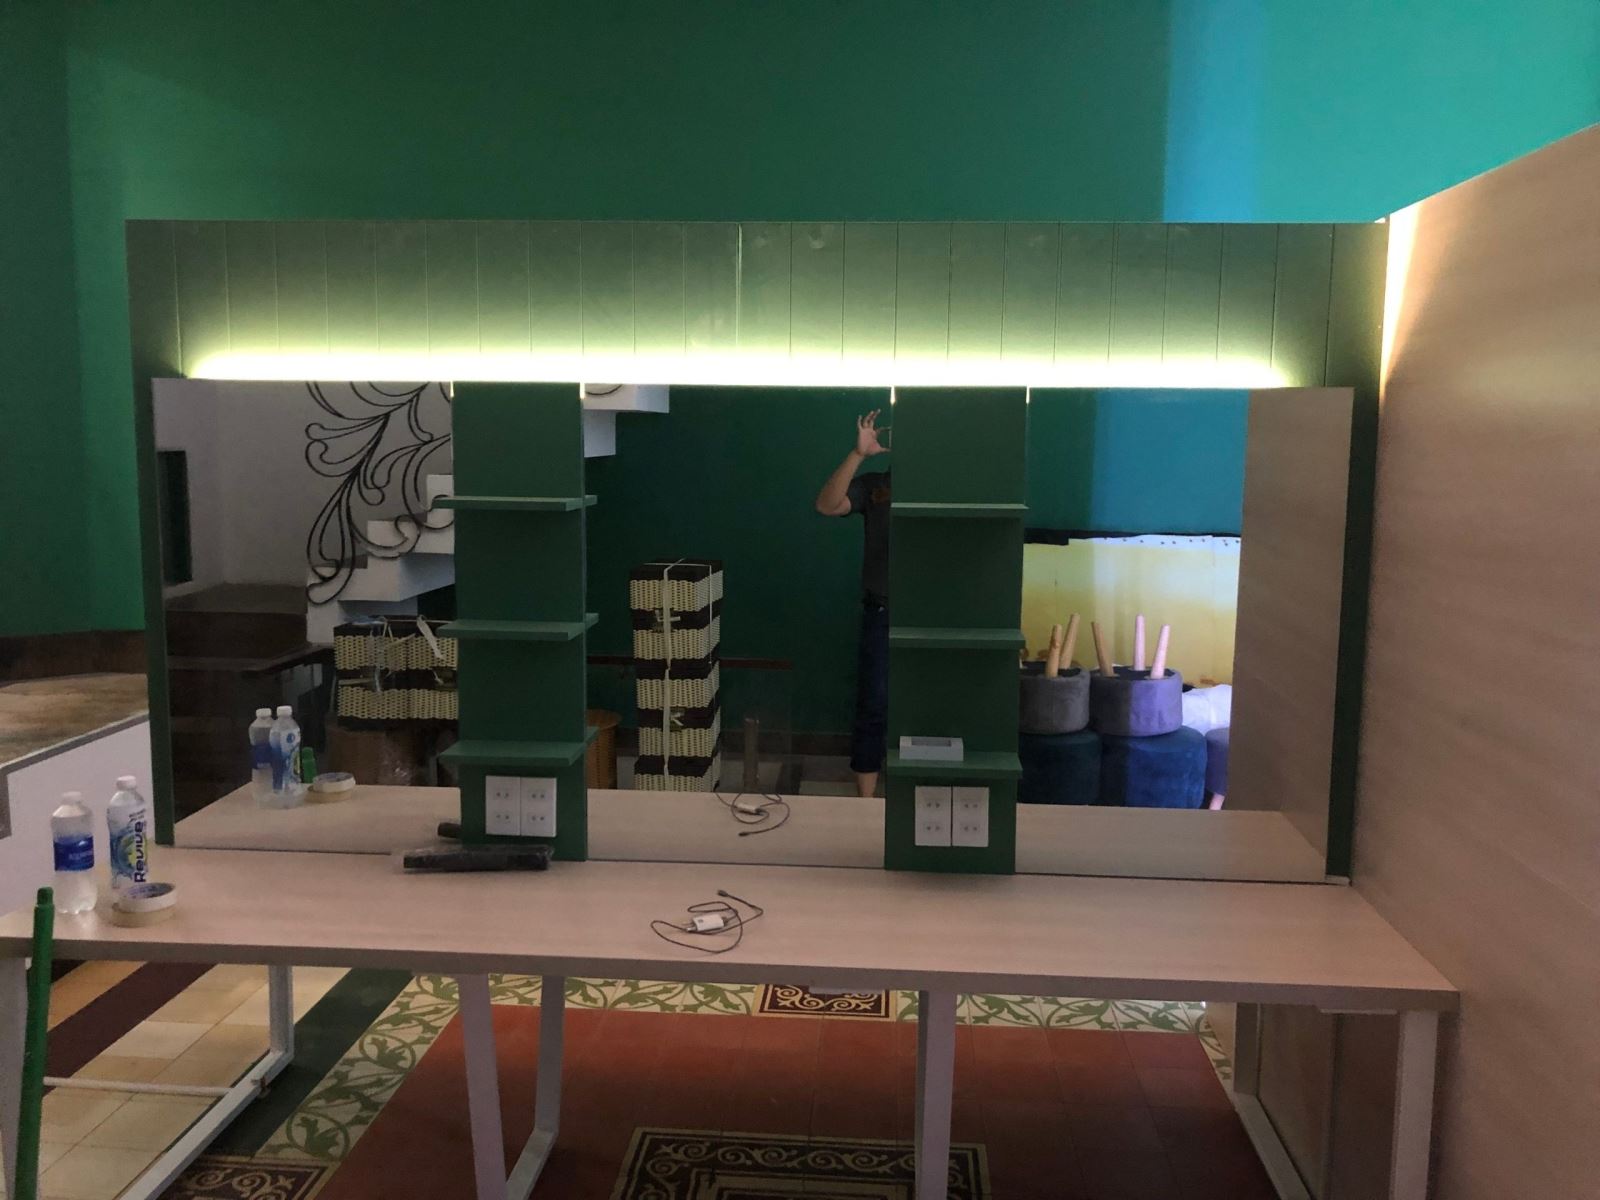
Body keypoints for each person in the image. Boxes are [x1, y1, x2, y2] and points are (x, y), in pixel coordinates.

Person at [815, 409, 890, 797]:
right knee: (873, 704)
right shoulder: (877, 487)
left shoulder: (947, 488)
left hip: (934, 615)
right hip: (883, 611)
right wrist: (858, 454)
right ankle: (866, 803)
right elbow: (827, 505)